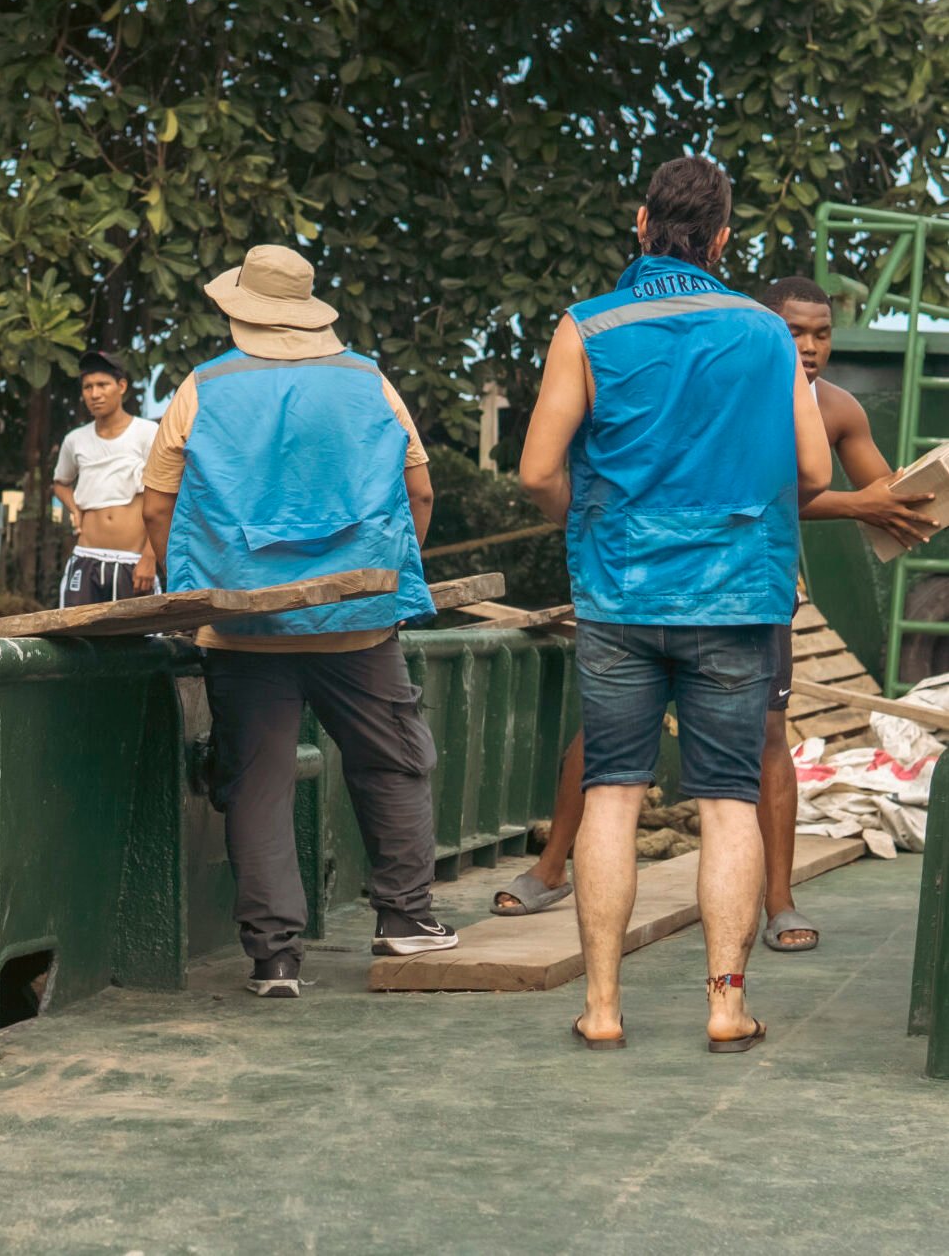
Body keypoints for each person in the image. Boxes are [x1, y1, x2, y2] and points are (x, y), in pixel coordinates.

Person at [493, 275, 936, 951]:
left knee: (769, 736)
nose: (809, 347)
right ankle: (551, 866)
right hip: (657, 583)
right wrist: (858, 505)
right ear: (763, 331)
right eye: (795, 332)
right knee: (609, 742)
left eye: (821, 334)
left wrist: (918, 496)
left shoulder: (840, 408)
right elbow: (774, 490)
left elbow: (885, 493)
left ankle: (779, 902)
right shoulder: (733, 386)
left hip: (752, 593)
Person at [519, 157, 832, 1052]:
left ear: (641, 222)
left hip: (619, 594)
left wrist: (594, 523)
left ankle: (603, 1007)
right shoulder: (767, 333)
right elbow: (814, 471)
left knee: (613, 795)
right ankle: (726, 1006)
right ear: (723, 238)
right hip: (737, 598)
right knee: (729, 801)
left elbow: (538, 471)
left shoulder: (588, 326)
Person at [141, 245, 451, 998]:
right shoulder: (369, 380)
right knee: (392, 761)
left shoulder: (203, 386)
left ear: (241, 310)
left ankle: (274, 959)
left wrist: (199, 593)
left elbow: (156, 506)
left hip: (243, 626)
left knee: (258, 783)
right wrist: (381, 578)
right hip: (359, 622)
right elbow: (419, 491)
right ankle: (405, 918)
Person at [52, 349, 160, 605]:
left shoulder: (147, 433)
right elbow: (60, 483)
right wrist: (75, 509)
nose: (95, 394)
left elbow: (167, 499)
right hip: (86, 558)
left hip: (133, 562)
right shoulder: (75, 440)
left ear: (121, 386)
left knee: (140, 631)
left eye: (102, 385)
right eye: (88, 387)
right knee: (75, 630)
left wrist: (150, 557)